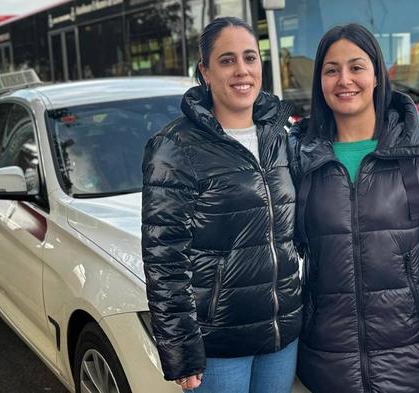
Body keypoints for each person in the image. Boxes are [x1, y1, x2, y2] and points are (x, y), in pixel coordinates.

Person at [289, 23, 419, 393]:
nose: (344, 80)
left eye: (356, 67)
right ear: (320, 81)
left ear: (377, 76)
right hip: (324, 361)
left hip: (408, 358)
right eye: (331, 69)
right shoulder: (299, 156)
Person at [141, 16, 302, 393]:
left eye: (250, 58)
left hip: (281, 334)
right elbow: (164, 258)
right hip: (219, 344)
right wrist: (181, 349)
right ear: (205, 72)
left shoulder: (280, 136)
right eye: (227, 60)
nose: (242, 70)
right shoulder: (175, 148)